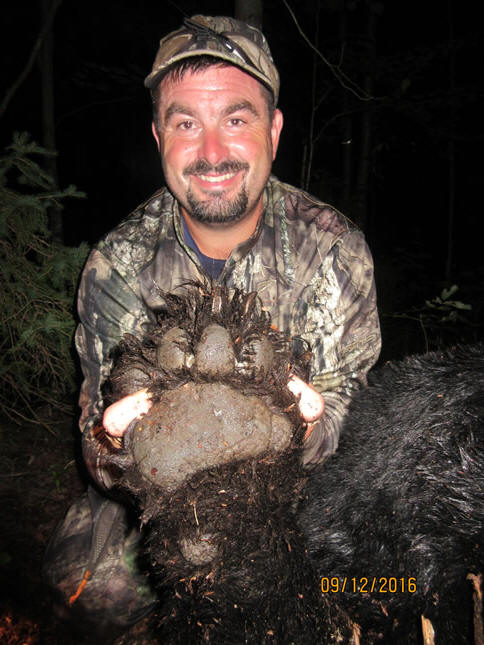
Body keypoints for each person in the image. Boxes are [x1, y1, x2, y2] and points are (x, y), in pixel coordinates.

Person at [44, 14, 381, 639]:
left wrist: (301, 429)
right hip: (159, 498)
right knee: (88, 597)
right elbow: (97, 437)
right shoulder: (118, 265)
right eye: (186, 123)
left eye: (235, 119)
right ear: (157, 136)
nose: (212, 153)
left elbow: (348, 419)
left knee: (374, 588)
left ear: (273, 130)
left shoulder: (333, 251)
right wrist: (119, 445)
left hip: (297, 495)